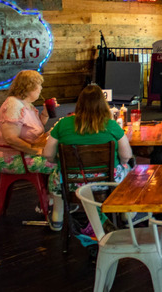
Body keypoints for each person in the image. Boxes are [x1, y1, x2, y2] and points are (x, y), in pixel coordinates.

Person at [42, 84, 132, 231]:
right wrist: (123, 164)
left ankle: (57, 218)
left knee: (57, 176)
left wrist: (56, 162)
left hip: (71, 183)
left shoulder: (63, 124)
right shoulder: (111, 125)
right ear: (103, 104)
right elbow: (126, 155)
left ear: (79, 103)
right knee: (128, 171)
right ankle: (127, 216)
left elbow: (47, 154)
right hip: (107, 182)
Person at [0, 70, 58, 228]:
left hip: (22, 153)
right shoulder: (13, 105)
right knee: (60, 164)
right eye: (39, 85)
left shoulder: (25, 104)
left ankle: (51, 199)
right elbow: (10, 138)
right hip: (12, 158)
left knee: (56, 156)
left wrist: (45, 113)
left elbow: (36, 129)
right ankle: (55, 204)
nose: (41, 89)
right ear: (29, 87)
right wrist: (35, 151)